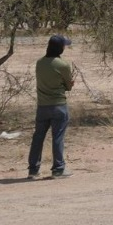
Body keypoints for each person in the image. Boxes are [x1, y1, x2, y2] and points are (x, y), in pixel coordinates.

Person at [28, 34, 75, 179]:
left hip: (42, 106)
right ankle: (58, 169)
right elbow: (68, 86)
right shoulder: (63, 65)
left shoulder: (39, 63)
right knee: (57, 138)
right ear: (60, 48)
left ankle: (33, 170)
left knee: (38, 137)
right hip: (59, 106)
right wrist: (69, 84)